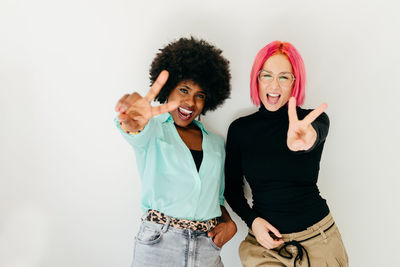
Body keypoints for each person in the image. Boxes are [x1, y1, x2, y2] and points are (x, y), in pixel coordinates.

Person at [114, 37, 237, 267]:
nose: (190, 102)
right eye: (184, 90)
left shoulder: (216, 144)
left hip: (207, 249)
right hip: (159, 244)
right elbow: (133, 129)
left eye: (200, 95)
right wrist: (131, 120)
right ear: (169, 89)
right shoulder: (154, 130)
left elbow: (216, 199)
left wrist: (229, 224)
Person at [224, 41, 348, 267]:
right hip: (266, 247)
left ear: (294, 83)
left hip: (318, 241)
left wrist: (306, 137)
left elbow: (313, 135)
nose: (274, 85)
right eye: (266, 75)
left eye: (284, 77)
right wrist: (253, 222)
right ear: (257, 79)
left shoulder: (313, 120)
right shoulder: (240, 130)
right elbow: (231, 190)